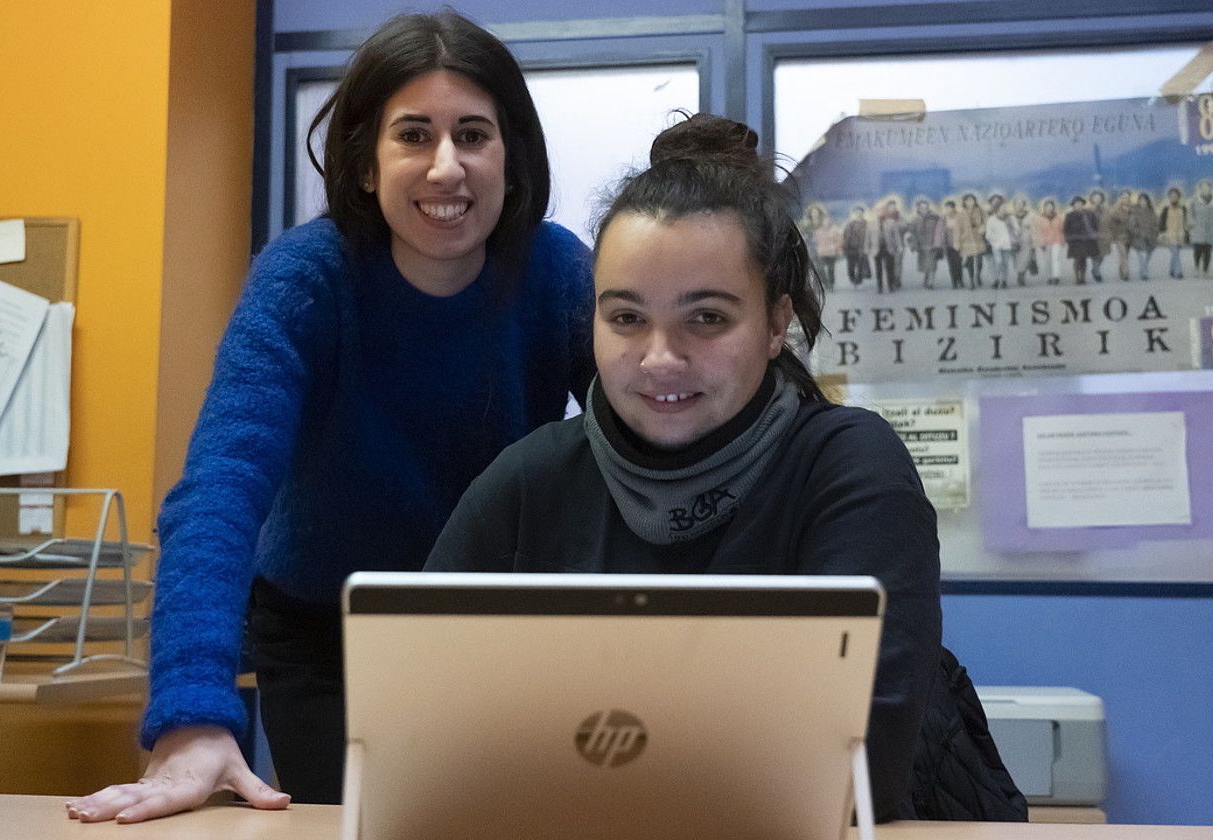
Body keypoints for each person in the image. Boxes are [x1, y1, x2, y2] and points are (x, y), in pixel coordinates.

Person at [66, 10, 594, 824]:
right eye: (414, 135)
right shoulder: (307, 277)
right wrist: (193, 712)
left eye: (474, 136)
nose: (446, 168)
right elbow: (219, 488)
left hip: (503, 628)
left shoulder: (558, 271)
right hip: (326, 631)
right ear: (362, 164)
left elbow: (657, 432)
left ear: (512, 159)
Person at [423, 114, 1021, 822]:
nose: (660, 358)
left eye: (706, 319)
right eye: (625, 318)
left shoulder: (850, 471)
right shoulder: (529, 482)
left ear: (775, 325)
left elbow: (848, 768)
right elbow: (424, 731)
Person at [908, 199, 945, 289]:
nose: (924, 209)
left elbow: (940, 230)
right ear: (918, 209)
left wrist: (939, 243)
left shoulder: (934, 218)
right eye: (921, 208)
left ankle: (930, 283)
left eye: (925, 207)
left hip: (932, 244)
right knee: (925, 264)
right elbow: (911, 232)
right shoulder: (915, 219)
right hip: (922, 246)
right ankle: (926, 278)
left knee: (932, 264)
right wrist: (913, 245)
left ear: (928, 208)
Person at [1063, 196, 1098, 285]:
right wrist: (1068, 239)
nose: (1078, 205)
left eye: (1080, 203)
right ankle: (1076, 278)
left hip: (1086, 240)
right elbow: (1065, 229)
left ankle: (1082, 277)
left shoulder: (1089, 214)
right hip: (1075, 241)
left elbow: (1094, 226)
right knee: (1077, 259)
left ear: (1083, 204)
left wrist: (1093, 236)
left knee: (1084, 260)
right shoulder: (1069, 215)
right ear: (1073, 205)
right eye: (1076, 204)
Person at [1032, 197, 1067, 285]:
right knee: (1047, 261)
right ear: (1044, 207)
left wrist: (1063, 240)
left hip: (1056, 240)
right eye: (1047, 206)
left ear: (1053, 207)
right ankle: (1049, 277)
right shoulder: (1040, 218)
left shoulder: (1058, 217)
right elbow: (1038, 231)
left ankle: (1056, 277)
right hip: (1045, 242)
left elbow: (1062, 229)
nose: (1049, 208)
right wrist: (1040, 242)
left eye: (1051, 206)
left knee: (1056, 259)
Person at [875, 199, 905, 293]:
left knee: (897, 263)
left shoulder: (899, 217)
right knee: (888, 265)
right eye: (890, 207)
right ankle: (887, 283)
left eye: (894, 206)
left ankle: (896, 280)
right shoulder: (882, 219)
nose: (892, 208)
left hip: (897, 243)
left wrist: (898, 224)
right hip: (884, 246)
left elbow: (904, 227)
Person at [1128, 191, 1159, 281]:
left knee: (1148, 255)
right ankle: (1144, 273)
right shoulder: (1134, 212)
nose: (1143, 202)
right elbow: (1131, 225)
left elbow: (1156, 224)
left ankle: (1143, 269)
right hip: (1139, 238)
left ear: (1147, 201)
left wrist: (1155, 232)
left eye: (1144, 200)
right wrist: (1137, 232)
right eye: (1141, 200)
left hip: (1150, 237)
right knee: (1141, 256)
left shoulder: (1151, 212)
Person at [1159, 187, 1189, 279]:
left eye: (1175, 196)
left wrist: (1186, 233)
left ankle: (1172, 270)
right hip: (1169, 235)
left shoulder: (1183, 208)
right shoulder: (1166, 209)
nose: (1173, 198)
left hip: (1180, 235)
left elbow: (1186, 221)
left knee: (1176, 254)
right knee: (1175, 253)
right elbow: (1162, 222)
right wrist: (1162, 233)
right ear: (1169, 197)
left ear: (1179, 197)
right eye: (1171, 196)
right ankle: (1178, 272)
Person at [843, 205, 872, 287]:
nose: (859, 214)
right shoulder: (850, 224)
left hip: (862, 248)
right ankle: (852, 279)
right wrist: (845, 247)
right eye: (857, 213)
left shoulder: (866, 224)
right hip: (851, 248)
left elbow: (870, 236)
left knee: (860, 266)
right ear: (854, 214)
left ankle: (859, 281)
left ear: (863, 214)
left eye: (860, 213)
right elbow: (845, 236)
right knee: (850, 266)